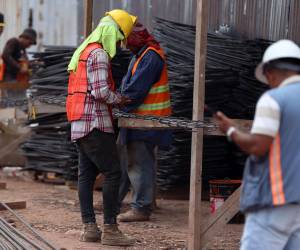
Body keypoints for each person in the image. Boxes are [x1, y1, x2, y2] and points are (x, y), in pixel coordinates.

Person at [216, 40, 300, 250]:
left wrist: (231, 130)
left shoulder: (273, 99)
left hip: (274, 200)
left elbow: (258, 146)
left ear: (270, 72)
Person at [66, 9, 137, 246]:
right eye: (119, 37)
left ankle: (90, 229)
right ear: (110, 33)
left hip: (79, 122)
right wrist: (120, 99)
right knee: (113, 173)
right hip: (95, 123)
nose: (119, 43)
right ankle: (110, 229)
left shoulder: (83, 51)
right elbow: (99, 92)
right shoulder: (98, 54)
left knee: (85, 176)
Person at [117, 23, 172, 222]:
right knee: (125, 162)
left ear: (135, 40)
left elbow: (136, 90)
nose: (125, 47)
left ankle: (141, 208)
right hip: (135, 120)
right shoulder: (140, 55)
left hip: (146, 121)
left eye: (127, 42)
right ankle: (115, 201)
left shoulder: (151, 56)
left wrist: (117, 105)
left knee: (140, 164)